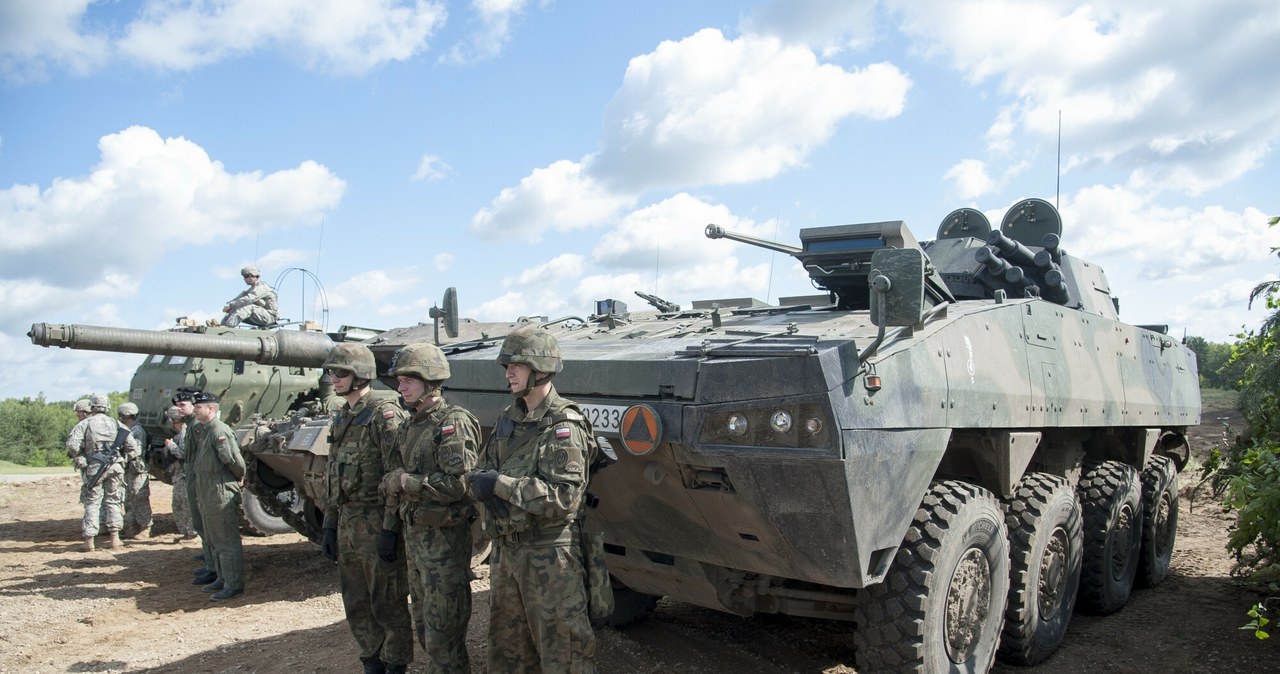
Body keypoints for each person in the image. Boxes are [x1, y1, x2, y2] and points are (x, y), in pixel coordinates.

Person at [466, 325, 599, 672]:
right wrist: (485, 484)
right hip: (507, 553)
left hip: (549, 558)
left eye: (516, 365)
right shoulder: (509, 420)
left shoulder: (563, 425)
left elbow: (564, 498)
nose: (508, 372)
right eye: (507, 366)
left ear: (540, 370)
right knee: (508, 656)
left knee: (565, 657)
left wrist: (501, 486)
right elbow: (480, 474)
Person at [380, 342, 481, 672]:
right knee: (425, 628)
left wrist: (409, 482)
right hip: (416, 541)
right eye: (400, 380)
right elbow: (392, 477)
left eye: (409, 379)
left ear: (430, 381)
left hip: (444, 544)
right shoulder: (409, 426)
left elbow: (461, 485)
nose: (401, 386)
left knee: (444, 637)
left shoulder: (452, 423)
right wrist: (389, 528)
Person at [319, 343, 413, 674]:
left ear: (361, 375)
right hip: (347, 520)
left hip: (376, 520)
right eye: (331, 372)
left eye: (341, 373)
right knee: (355, 600)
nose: (334, 378)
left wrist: (390, 529)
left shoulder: (384, 415)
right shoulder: (344, 415)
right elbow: (333, 472)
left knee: (387, 601)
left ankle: (395, 663)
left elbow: (396, 476)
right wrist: (330, 523)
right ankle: (371, 659)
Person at [189, 391, 246, 601]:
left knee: (225, 540)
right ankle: (222, 578)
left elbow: (234, 460)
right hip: (208, 492)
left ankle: (233, 584)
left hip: (219, 491)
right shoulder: (206, 430)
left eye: (198, 408)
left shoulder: (219, 431)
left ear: (210, 409)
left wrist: (239, 478)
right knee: (213, 538)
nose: (195, 410)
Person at [66, 393, 142, 552]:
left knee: (92, 502)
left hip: (95, 468)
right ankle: (115, 539)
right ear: (107, 406)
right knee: (113, 501)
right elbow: (133, 448)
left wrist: (80, 457)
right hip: (115, 467)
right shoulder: (117, 424)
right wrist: (121, 458)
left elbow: (72, 446)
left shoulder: (85, 424)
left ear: (92, 407)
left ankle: (89, 541)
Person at [117, 402, 153, 540]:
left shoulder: (136, 431)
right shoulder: (129, 429)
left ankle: (145, 528)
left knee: (139, 498)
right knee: (129, 499)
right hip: (129, 469)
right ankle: (131, 527)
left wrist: (122, 457)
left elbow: (135, 451)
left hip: (136, 469)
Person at [163, 405, 196, 540]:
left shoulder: (184, 433)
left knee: (185, 504)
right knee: (178, 504)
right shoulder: (181, 433)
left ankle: (192, 533)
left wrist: (170, 446)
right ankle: (187, 532)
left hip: (184, 475)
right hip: (180, 475)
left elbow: (183, 454)